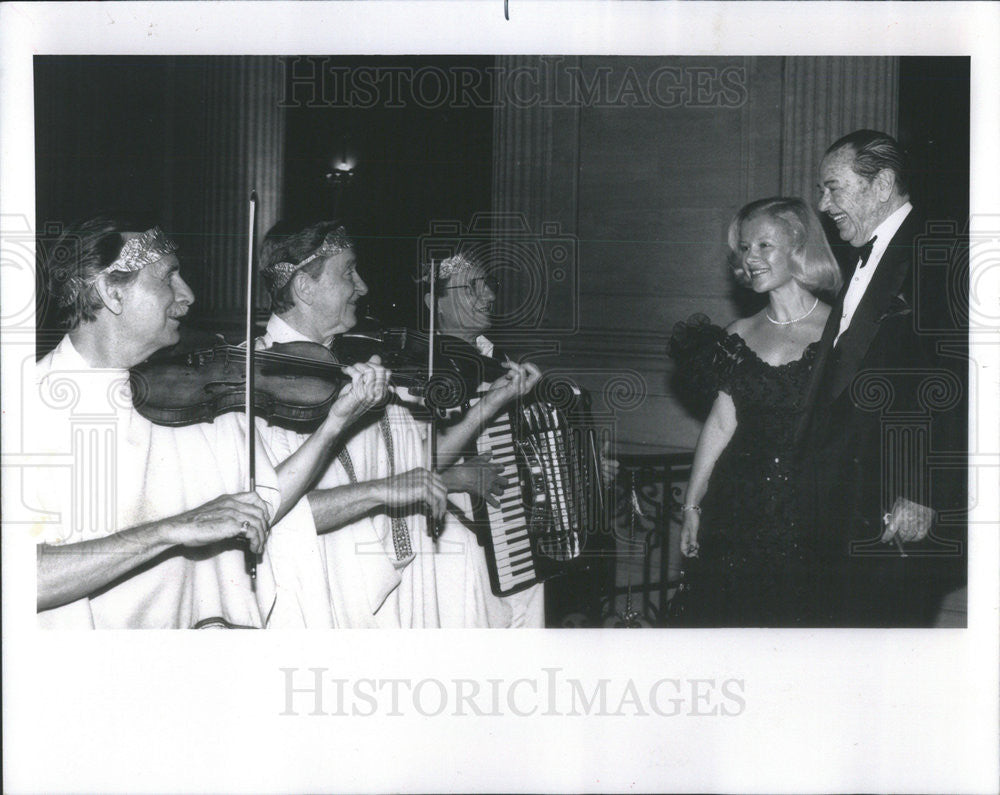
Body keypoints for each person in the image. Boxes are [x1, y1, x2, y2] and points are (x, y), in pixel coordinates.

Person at [32, 217, 385, 628]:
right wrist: (172, 530)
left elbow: (261, 501)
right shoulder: (29, 405)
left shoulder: (184, 390)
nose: (189, 296)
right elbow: (25, 578)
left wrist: (334, 424)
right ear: (112, 292)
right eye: (168, 278)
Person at [255, 220, 541, 627]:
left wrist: (493, 401)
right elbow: (268, 509)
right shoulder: (258, 380)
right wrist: (380, 491)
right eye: (348, 271)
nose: (363, 286)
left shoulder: (363, 364)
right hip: (322, 588)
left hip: (400, 590)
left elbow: (419, 463)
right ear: (304, 287)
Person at [799, 129, 966, 627]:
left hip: (898, 504)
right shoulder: (863, 258)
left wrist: (925, 492)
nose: (822, 204)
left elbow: (957, 379)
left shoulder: (940, 249)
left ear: (883, 183)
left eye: (833, 188)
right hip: (844, 502)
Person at [669, 197, 842, 626]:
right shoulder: (736, 335)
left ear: (799, 247)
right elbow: (721, 423)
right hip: (734, 511)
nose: (752, 257)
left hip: (809, 512)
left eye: (765, 245)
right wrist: (692, 506)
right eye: (745, 248)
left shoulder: (841, 331)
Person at [423, 253, 620, 627]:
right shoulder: (419, 371)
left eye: (489, 286)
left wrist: (587, 473)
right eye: (472, 288)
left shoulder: (505, 365)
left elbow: (540, 453)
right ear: (435, 302)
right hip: (447, 547)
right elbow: (393, 464)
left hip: (519, 546)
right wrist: (455, 479)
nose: (488, 297)